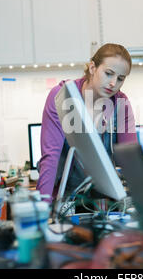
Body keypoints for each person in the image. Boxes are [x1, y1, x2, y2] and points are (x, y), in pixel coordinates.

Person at [36, 43, 137, 204]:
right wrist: (42, 210)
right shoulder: (63, 96)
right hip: (65, 199)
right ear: (92, 68)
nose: (113, 83)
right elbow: (51, 157)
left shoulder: (121, 103)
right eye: (108, 74)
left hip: (104, 200)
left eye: (120, 78)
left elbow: (132, 161)